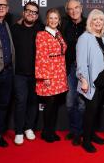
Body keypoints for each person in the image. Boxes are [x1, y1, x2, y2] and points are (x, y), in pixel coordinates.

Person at [76, 9, 104, 153]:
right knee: (90, 111)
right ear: (90, 22)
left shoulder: (101, 37)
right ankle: (86, 140)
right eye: (95, 19)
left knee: (96, 111)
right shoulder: (85, 38)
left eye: (101, 19)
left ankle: (91, 134)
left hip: (103, 81)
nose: (98, 22)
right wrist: (83, 80)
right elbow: (81, 62)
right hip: (91, 82)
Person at [11, 1, 44, 145]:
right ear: (24, 12)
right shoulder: (14, 29)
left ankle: (29, 128)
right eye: (28, 11)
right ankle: (18, 131)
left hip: (36, 74)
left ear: (37, 16)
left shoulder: (41, 29)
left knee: (33, 102)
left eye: (34, 12)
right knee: (21, 101)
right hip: (19, 73)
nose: (31, 14)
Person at [35, 8, 68, 143]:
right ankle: (46, 132)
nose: (53, 20)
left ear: (59, 20)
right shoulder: (41, 34)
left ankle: (51, 131)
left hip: (59, 73)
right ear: (47, 20)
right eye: (51, 18)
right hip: (48, 73)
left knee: (54, 105)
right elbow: (41, 56)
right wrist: (45, 76)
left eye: (56, 18)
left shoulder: (58, 33)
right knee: (49, 104)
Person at [61, 0, 86, 145]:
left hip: (84, 70)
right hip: (69, 68)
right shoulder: (63, 23)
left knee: (82, 103)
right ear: (67, 11)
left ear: (81, 8)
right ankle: (75, 130)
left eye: (76, 8)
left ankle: (81, 132)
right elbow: (44, 23)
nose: (74, 11)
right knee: (70, 102)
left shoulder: (89, 23)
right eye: (70, 9)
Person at [0, 0, 15, 148]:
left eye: (3, 5)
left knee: (4, 105)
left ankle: (0, 133)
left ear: (8, 8)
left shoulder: (6, 25)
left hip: (8, 72)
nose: (1, 7)